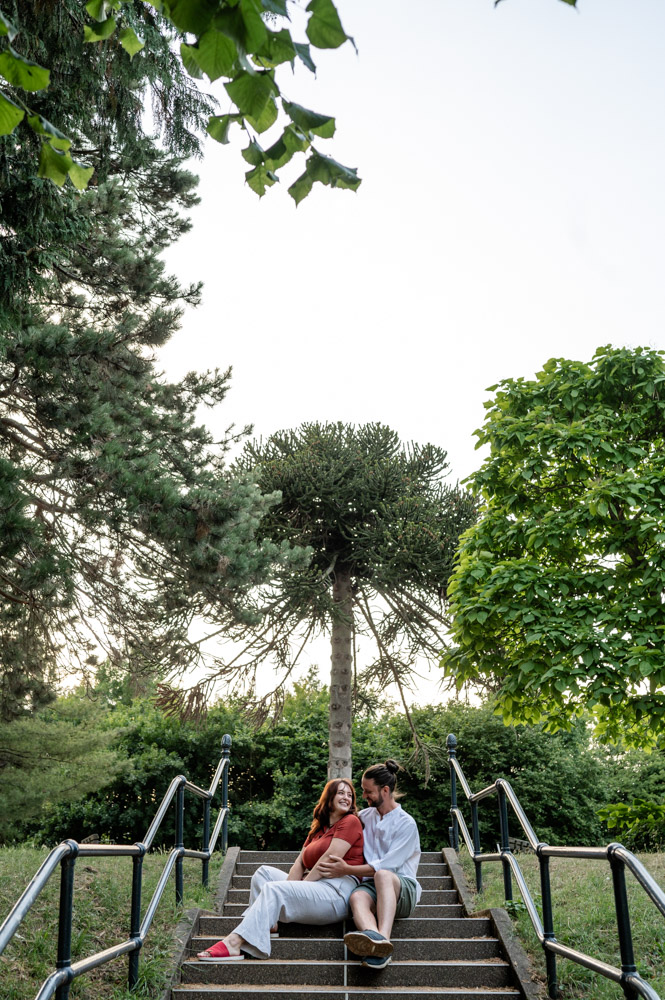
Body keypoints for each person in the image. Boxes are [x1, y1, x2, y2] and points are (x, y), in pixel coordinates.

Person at [197, 777, 364, 961]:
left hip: (337, 892)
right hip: (317, 886)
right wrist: (292, 888)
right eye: (341, 793)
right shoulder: (318, 830)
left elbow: (329, 860)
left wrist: (299, 888)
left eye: (350, 795)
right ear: (329, 797)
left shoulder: (350, 821)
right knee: (263, 873)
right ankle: (269, 926)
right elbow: (300, 862)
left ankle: (234, 943)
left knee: (274, 889)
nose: (346, 798)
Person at [318, 759, 421, 970]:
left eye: (368, 792)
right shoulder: (364, 817)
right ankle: (377, 947)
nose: (363, 796)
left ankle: (383, 938)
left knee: (382, 874)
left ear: (385, 790)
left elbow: (386, 866)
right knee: (356, 896)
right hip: (373, 886)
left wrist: (346, 870)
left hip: (403, 889)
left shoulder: (406, 823)